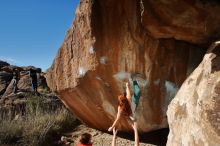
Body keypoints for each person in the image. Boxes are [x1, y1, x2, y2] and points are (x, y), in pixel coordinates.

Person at [108, 82, 139, 146]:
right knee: (137, 93)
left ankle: (134, 81)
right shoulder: (121, 107)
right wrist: (127, 86)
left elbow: (117, 119)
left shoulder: (128, 100)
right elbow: (117, 119)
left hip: (131, 110)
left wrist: (112, 127)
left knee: (137, 95)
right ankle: (135, 81)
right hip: (131, 112)